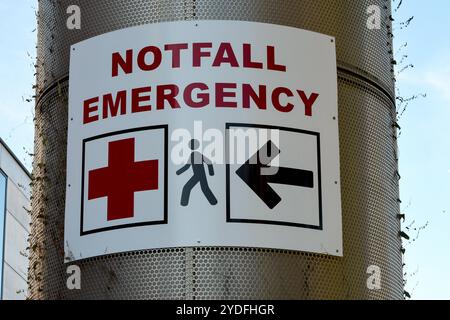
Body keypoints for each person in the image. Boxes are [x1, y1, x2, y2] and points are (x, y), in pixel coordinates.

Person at [176, 139, 218, 206]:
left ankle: (184, 203)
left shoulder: (196, 154)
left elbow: (209, 162)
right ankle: (214, 202)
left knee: (187, 187)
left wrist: (211, 173)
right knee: (204, 188)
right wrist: (178, 172)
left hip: (198, 175)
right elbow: (187, 166)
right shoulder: (193, 155)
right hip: (199, 174)